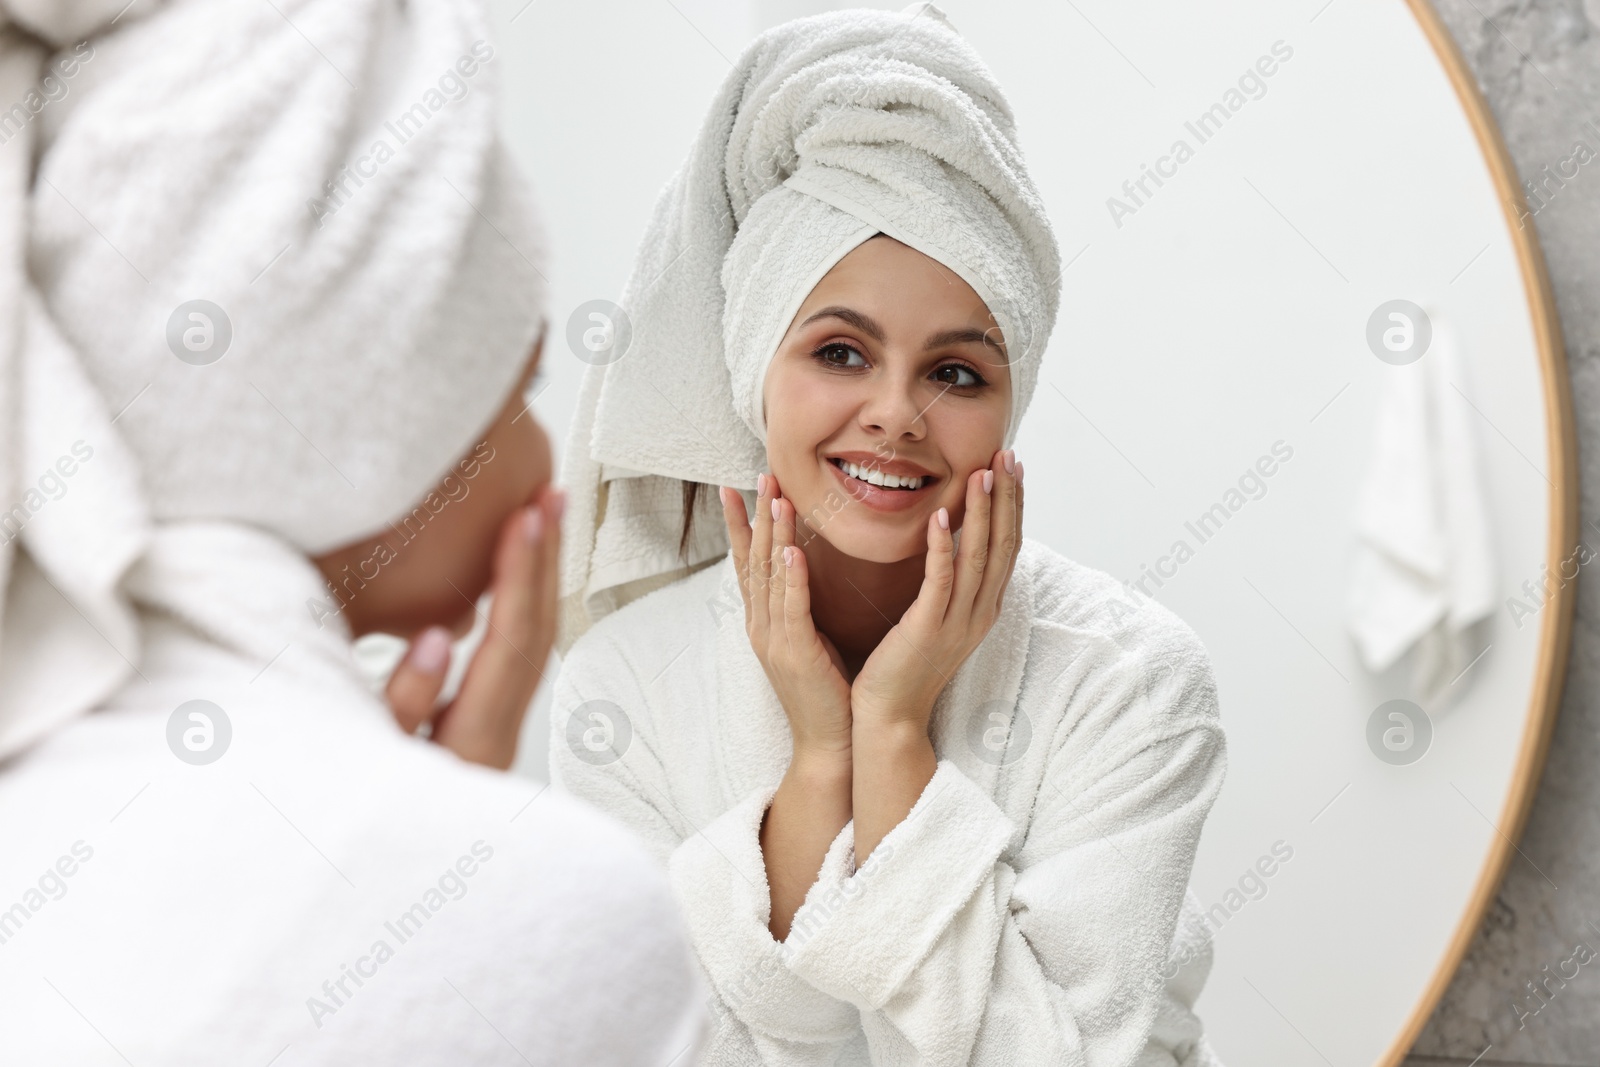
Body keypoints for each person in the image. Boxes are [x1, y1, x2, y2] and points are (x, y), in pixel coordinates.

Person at [0, 1, 704, 1063]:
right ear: (367, 423)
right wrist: (460, 853)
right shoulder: (565, 909)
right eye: (521, 389)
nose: (543, 453)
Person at [551, 6, 1226, 1065]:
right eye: (838, 352)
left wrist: (895, 731)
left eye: (956, 372)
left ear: (1012, 401)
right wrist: (824, 756)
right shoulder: (623, 688)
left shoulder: (1128, 678)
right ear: (750, 371)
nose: (897, 414)